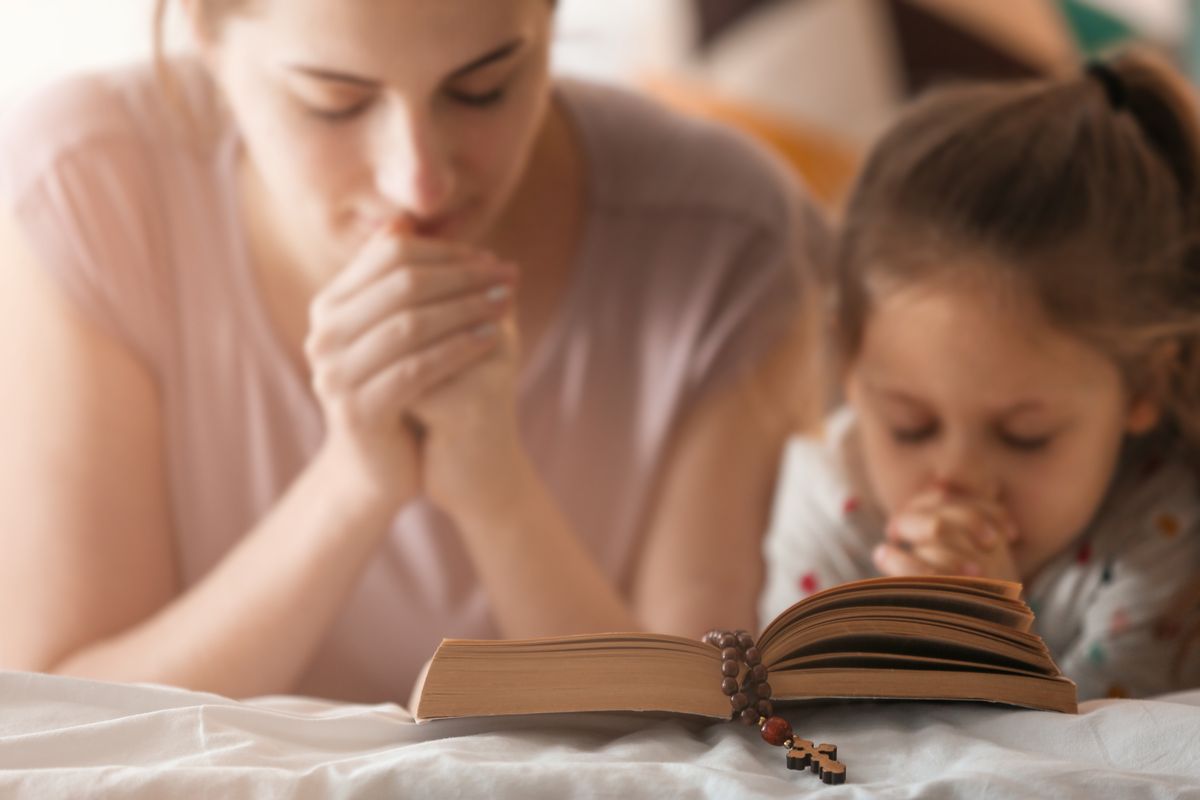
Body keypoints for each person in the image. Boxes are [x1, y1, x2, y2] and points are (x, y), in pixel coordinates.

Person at [0, 0, 826, 702]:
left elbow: (705, 734)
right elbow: (58, 714)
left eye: (483, 88)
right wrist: (352, 486)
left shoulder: (727, 238)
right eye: (336, 102)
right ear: (206, 39)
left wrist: (499, 496)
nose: (418, 184)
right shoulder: (87, 187)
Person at [759, 52, 1200, 700]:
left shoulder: (1161, 526)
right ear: (850, 369)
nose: (956, 476)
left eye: (1025, 435)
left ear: (1143, 391)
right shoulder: (832, 499)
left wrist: (988, 645)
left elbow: (1110, 772)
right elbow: (795, 737)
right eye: (911, 426)